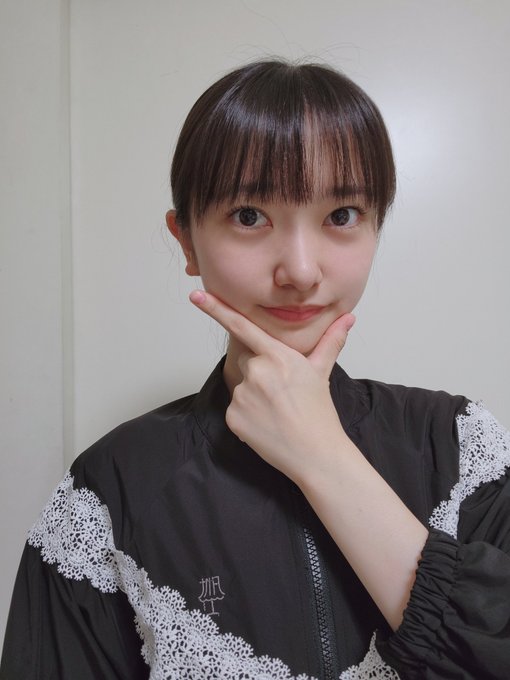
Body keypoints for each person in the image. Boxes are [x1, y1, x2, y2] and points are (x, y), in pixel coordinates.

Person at [1, 59, 509, 680]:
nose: (300, 270)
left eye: (341, 215)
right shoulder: (108, 490)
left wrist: (323, 456)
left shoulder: (459, 445)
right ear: (186, 241)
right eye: (249, 216)